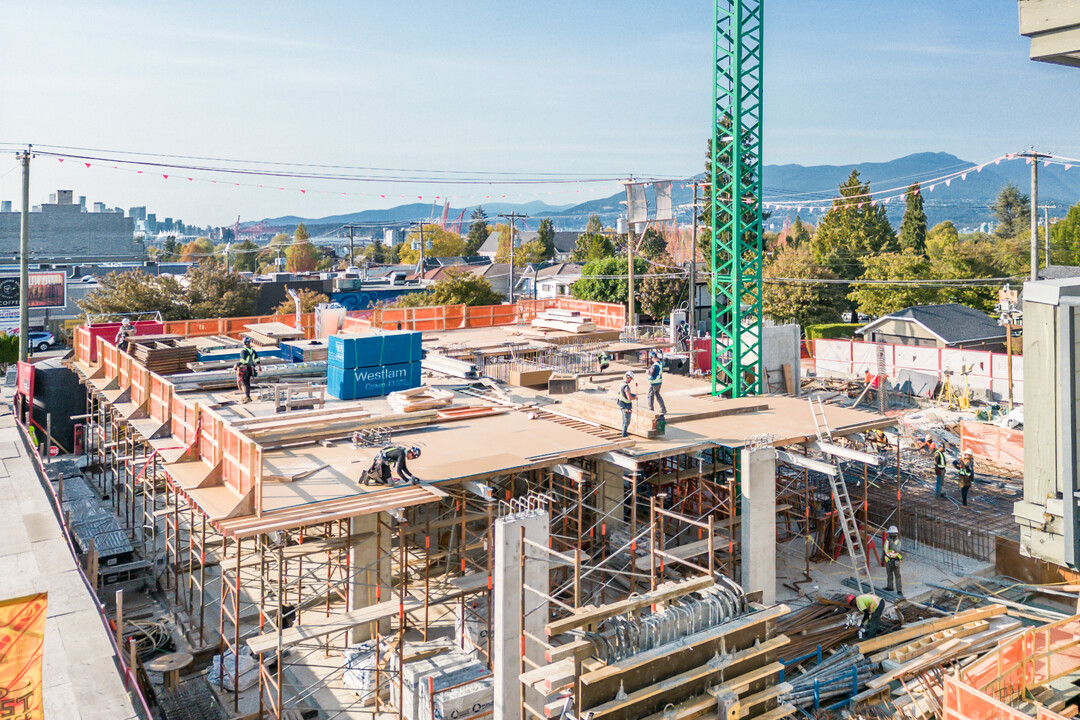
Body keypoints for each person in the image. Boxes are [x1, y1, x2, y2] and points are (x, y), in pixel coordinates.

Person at [235, 337, 260, 403]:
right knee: (247, 382)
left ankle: (247, 397)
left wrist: (237, 364)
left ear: (243, 343)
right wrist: (259, 367)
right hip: (251, 368)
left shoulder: (243, 351)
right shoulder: (253, 351)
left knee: (244, 382)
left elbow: (243, 360)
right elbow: (257, 360)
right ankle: (248, 396)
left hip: (244, 368)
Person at [883, 526, 903, 597]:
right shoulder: (887, 541)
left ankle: (899, 590)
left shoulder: (898, 542)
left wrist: (891, 542)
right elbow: (884, 549)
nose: (890, 536)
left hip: (896, 561)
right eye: (889, 534)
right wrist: (882, 559)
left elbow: (897, 550)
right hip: (888, 560)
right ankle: (890, 587)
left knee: (897, 576)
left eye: (891, 534)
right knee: (889, 575)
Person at [617, 371, 637, 438]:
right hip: (626, 406)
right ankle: (624, 434)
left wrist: (632, 394)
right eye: (630, 379)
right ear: (628, 377)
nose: (630, 380)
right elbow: (629, 397)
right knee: (627, 421)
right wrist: (635, 397)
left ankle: (623, 432)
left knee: (624, 420)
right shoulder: (626, 387)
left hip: (622, 404)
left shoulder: (621, 384)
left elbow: (623, 394)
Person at [646, 350, 667, 414]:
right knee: (657, 395)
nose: (651, 360)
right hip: (659, 382)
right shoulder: (660, 363)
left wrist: (648, 372)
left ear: (653, 357)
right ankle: (663, 409)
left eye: (651, 358)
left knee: (650, 395)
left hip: (654, 383)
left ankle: (650, 409)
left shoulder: (655, 365)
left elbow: (652, 374)